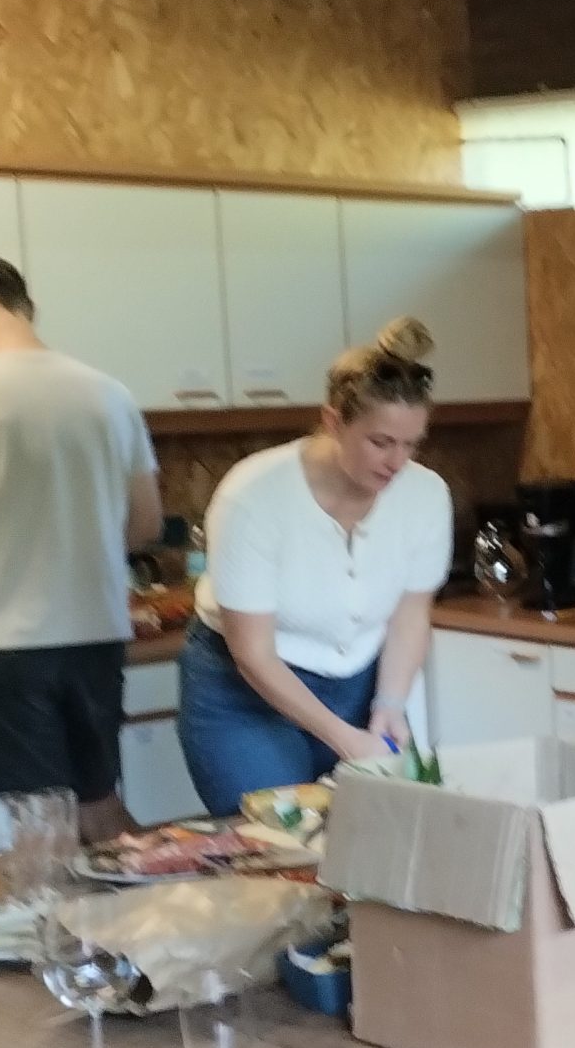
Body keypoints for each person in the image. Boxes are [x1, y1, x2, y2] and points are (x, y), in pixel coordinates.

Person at [0, 254, 161, 843]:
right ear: (25, 307)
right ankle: (161, 895)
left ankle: (86, 906)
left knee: (38, 827)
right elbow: (145, 524)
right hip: (97, 635)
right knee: (98, 808)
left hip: (1, 643)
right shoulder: (109, 394)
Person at [178, 318, 450, 814]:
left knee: (370, 837)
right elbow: (253, 654)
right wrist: (345, 739)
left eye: (412, 444)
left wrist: (389, 704)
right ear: (333, 421)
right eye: (380, 442)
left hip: (360, 684)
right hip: (245, 694)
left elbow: (411, 614)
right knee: (275, 840)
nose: (397, 462)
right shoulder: (253, 497)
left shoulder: (426, 495)